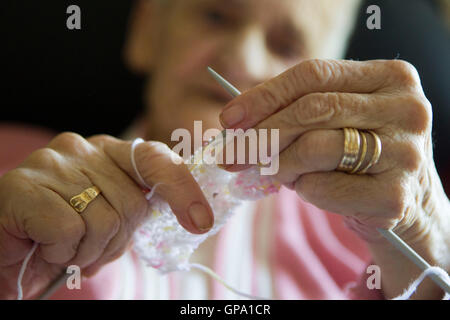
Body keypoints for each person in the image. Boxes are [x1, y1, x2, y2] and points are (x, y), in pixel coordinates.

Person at [0, 0, 449, 300]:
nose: (244, 58)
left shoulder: (384, 222)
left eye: (286, 44)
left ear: (336, 73)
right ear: (147, 30)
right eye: (215, 16)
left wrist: (428, 244)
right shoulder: (14, 176)